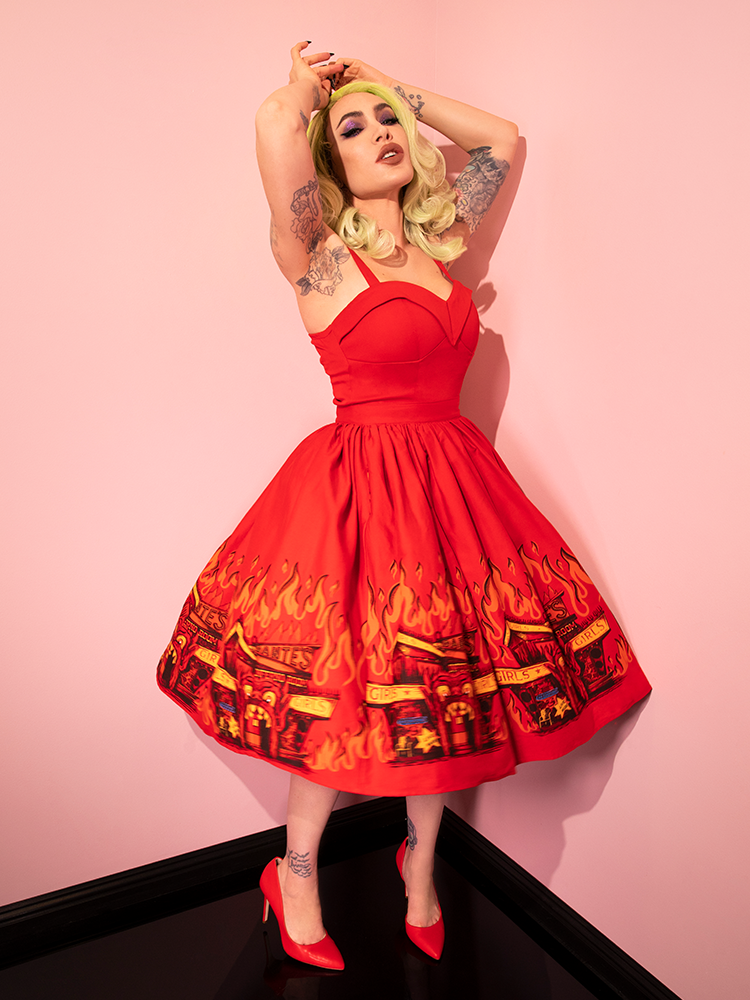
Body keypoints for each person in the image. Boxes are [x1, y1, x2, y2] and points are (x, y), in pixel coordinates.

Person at [157, 43, 651, 970]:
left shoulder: (436, 245)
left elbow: (502, 140)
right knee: (334, 692)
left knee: (444, 687)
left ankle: (418, 864)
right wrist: (317, 91)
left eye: (390, 124)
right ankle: (294, 871)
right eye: (355, 129)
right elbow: (274, 127)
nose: (381, 132)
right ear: (327, 162)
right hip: (358, 491)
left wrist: (391, 87)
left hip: (454, 486)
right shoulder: (316, 255)